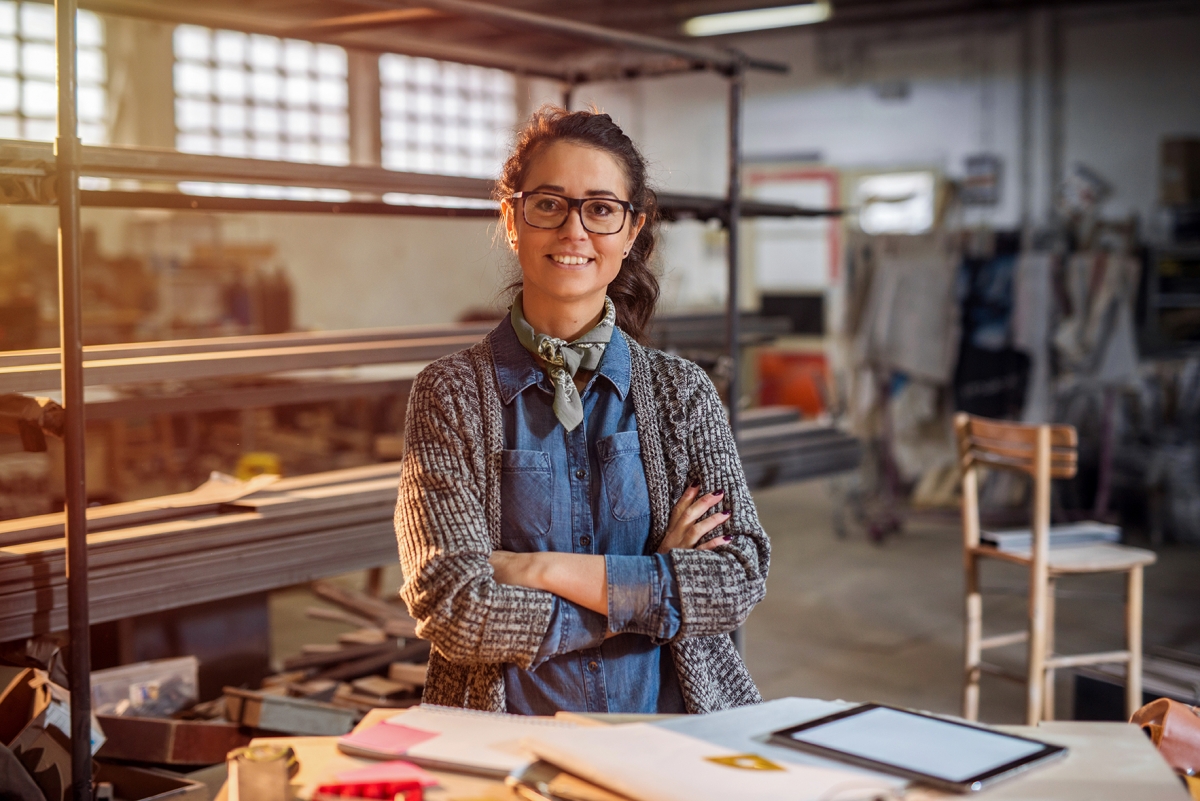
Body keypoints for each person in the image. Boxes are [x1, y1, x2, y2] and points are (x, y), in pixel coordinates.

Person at [394, 106, 770, 715]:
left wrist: (537, 567)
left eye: (600, 208)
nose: (574, 231)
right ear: (512, 219)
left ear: (630, 229)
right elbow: (455, 608)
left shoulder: (682, 394)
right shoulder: (450, 394)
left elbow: (735, 581)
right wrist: (650, 584)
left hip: (668, 733)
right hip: (506, 743)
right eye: (549, 203)